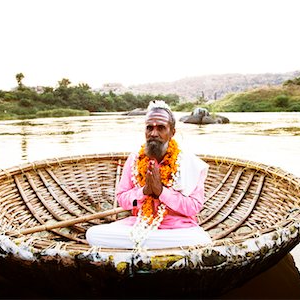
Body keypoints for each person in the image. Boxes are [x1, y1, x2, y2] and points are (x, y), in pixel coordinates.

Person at [86, 100, 212, 249]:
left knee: (201, 239)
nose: (154, 133)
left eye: (161, 128)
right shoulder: (134, 159)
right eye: (149, 128)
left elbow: (193, 207)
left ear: (172, 132)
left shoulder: (189, 162)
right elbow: (123, 200)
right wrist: (144, 192)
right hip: (140, 224)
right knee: (93, 234)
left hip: (178, 230)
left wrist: (162, 192)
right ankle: (148, 244)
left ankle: (141, 245)